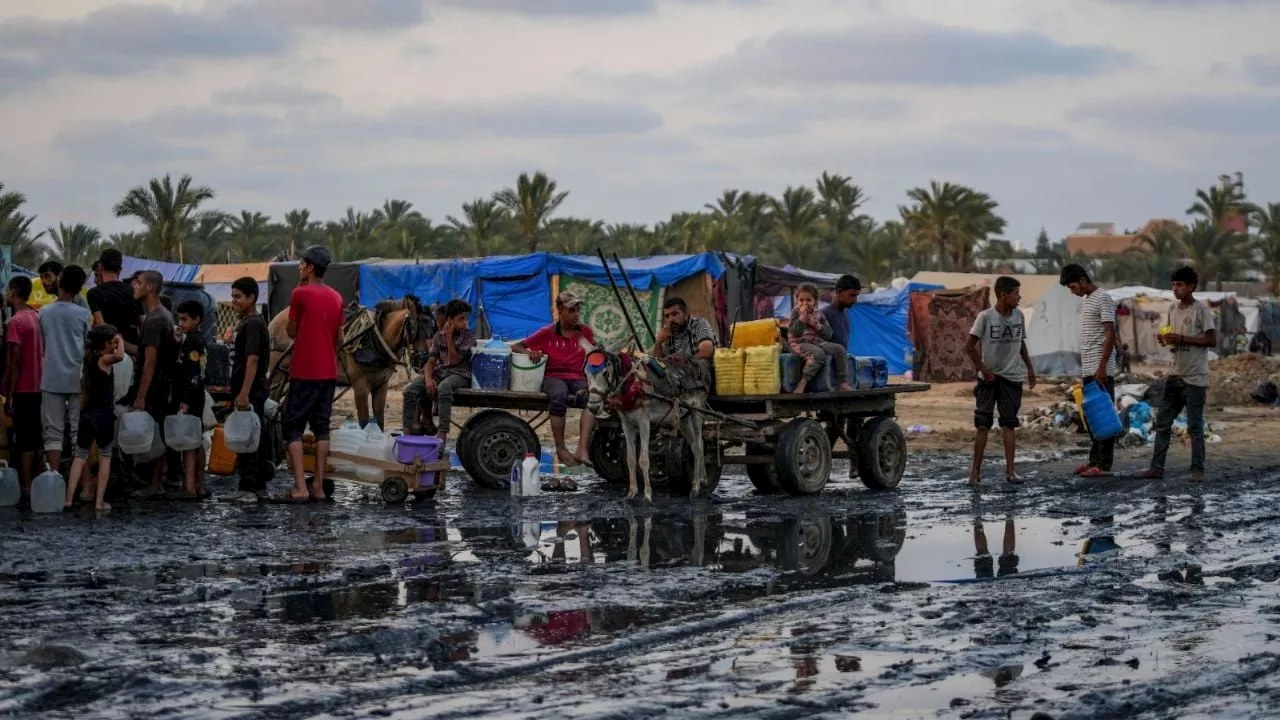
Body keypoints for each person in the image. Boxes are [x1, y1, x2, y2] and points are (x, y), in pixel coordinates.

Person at [281, 246, 344, 503]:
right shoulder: (338, 297)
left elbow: (292, 331)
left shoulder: (300, 293)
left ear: (309, 268)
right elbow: (338, 339)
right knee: (322, 427)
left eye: (301, 264)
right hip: (328, 371)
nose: (299, 267)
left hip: (305, 370)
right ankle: (317, 485)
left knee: (292, 426)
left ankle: (300, 487)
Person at [1143, 266, 1216, 483]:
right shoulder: (1173, 310)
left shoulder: (1201, 310)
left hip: (1195, 377)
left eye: (1180, 285)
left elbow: (1211, 340)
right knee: (1163, 422)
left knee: (1194, 426)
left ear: (1191, 287)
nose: (1175, 289)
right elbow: (1174, 342)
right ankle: (1156, 468)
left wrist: (1182, 339)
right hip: (1175, 374)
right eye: (1173, 285)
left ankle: (1197, 470)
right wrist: (1167, 340)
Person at [964, 276, 1036, 485]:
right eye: (1016, 294)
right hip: (989, 379)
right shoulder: (985, 317)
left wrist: (1029, 369)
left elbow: (1020, 343)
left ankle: (1011, 472)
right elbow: (969, 346)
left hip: (1012, 378)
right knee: (983, 425)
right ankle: (975, 473)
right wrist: (984, 370)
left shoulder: (1019, 316)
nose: (1019, 297)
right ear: (1003, 294)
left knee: (1009, 424)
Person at [511, 291, 596, 467]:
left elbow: (595, 354)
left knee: (592, 398)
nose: (576, 314)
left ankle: (582, 448)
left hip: (578, 377)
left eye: (578, 310)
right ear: (560, 311)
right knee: (559, 395)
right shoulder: (546, 333)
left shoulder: (585, 332)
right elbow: (517, 346)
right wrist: (529, 352)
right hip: (553, 376)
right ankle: (561, 448)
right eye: (571, 310)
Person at [1060, 264, 1118, 478]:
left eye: (1073, 286)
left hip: (1100, 368)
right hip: (1090, 367)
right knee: (1093, 415)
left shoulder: (1103, 298)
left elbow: (1110, 333)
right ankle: (1094, 460)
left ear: (1083, 280)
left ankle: (1103, 465)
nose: (1072, 291)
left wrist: (1102, 367)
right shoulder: (1087, 300)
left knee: (1104, 416)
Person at [125, 270, 177, 497]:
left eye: (137, 283)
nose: (134, 287)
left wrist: (141, 395)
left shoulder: (155, 319)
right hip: (162, 383)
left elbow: (151, 360)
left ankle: (155, 483)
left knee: (154, 432)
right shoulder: (163, 315)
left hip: (155, 385)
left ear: (149, 287)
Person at [63, 325, 125, 512]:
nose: (116, 344)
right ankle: (99, 502)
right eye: (113, 342)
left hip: (87, 415)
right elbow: (121, 356)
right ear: (106, 344)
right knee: (105, 456)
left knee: (80, 456)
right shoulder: (104, 359)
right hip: (103, 416)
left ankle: (68, 500)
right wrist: (121, 340)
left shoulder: (90, 359)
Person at [39, 265, 92, 475]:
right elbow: (88, 346)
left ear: (60, 281)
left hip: (51, 377)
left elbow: (43, 345)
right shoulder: (83, 314)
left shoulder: (44, 312)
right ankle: (85, 484)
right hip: (77, 378)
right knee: (79, 432)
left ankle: (54, 478)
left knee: (53, 432)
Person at [227, 277, 273, 502]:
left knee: (249, 437)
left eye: (238, 297)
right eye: (233, 296)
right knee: (250, 435)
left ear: (251, 298)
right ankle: (253, 486)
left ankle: (251, 487)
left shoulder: (254, 324)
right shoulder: (247, 322)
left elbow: (252, 360)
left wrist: (244, 392)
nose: (233, 300)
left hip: (252, 390)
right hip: (247, 389)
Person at [410, 299, 475, 442]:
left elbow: (454, 361)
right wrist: (428, 379)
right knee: (415, 387)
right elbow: (430, 362)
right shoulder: (438, 336)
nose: (465, 322)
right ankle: (425, 421)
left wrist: (449, 337)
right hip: (442, 372)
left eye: (466, 319)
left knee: (444, 388)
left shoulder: (468, 336)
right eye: (461, 319)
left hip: (460, 374)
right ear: (450, 320)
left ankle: (442, 432)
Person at [2, 276, 44, 501]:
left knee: (25, 439)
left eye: (8, 289)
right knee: (37, 437)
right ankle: (36, 481)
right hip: (41, 386)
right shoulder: (36, 317)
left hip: (23, 389)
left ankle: (26, 486)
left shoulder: (15, 323)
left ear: (14, 292)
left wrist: (8, 395)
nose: (6, 293)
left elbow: (14, 362)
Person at [788, 283, 852, 393]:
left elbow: (828, 334)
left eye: (808, 300)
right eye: (801, 300)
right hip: (799, 343)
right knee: (818, 354)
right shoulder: (795, 313)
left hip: (817, 342)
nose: (804, 303)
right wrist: (803, 318)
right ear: (797, 301)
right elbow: (795, 332)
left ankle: (843, 383)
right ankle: (802, 384)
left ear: (815, 301)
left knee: (839, 349)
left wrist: (816, 325)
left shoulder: (819, 314)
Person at [174, 300, 207, 499]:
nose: (181, 323)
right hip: (198, 393)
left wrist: (184, 399)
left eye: (185, 319)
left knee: (189, 441)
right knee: (197, 439)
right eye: (179, 319)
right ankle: (200, 484)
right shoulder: (198, 339)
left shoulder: (192, 341)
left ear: (197, 319)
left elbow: (193, 372)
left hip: (190, 395)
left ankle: (190, 487)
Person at [87, 249, 140, 356]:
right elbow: (142, 322)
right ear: (120, 269)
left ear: (101, 267)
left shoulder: (94, 293)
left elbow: (101, 325)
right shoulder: (133, 290)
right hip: (133, 348)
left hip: (109, 349)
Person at [821, 274, 862, 349]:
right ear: (839, 292)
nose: (855, 300)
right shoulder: (823, 315)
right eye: (852, 295)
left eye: (856, 296)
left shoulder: (845, 313)